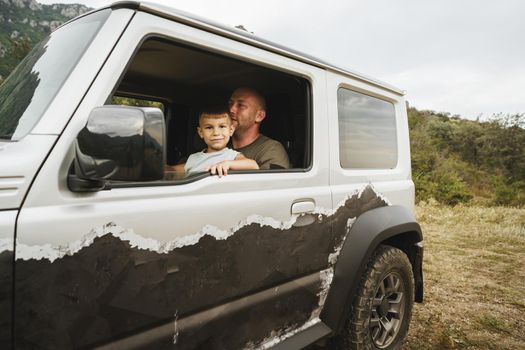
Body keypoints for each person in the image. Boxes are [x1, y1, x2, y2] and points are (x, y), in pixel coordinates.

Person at [166, 106, 258, 176]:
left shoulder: (232, 156)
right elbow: (173, 171)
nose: (216, 133)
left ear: (231, 130)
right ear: (201, 132)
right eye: (209, 127)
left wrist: (227, 164)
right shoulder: (193, 158)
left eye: (222, 126)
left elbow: (253, 166)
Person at [228, 87, 291, 169]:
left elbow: (270, 182)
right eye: (230, 103)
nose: (231, 109)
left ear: (259, 116)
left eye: (241, 105)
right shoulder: (216, 142)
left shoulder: (271, 149)